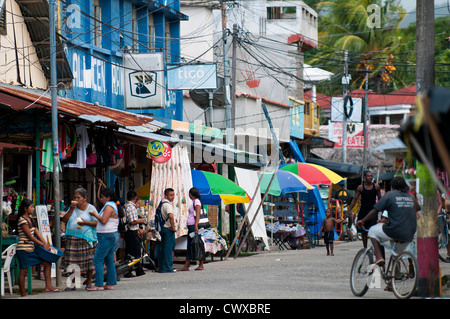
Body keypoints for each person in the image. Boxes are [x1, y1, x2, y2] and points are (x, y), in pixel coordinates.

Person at [357, 177, 420, 266]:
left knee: (372, 230)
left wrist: (363, 220)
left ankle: (379, 257)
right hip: (410, 232)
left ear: (392, 186)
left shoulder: (390, 195)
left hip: (395, 230)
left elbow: (375, 210)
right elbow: (417, 208)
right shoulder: (410, 196)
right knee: (396, 255)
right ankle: (396, 276)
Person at [15, 199, 61, 296]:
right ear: (25, 209)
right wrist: (42, 244)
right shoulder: (22, 220)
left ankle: (48, 286)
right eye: (31, 207)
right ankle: (23, 294)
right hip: (23, 249)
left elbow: (37, 233)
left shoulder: (31, 219)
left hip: (31, 249)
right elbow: (30, 236)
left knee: (47, 262)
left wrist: (46, 244)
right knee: (23, 271)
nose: (33, 208)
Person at [61, 187, 98, 290]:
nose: (76, 200)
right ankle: (73, 284)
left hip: (87, 238)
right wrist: (71, 208)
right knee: (73, 262)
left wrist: (85, 223)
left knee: (89, 262)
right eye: (75, 197)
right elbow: (64, 219)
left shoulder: (91, 208)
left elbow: (97, 222)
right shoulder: (72, 208)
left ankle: (89, 283)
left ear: (85, 198)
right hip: (72, 237)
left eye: (78, 197)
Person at [87, 187, 120, 291]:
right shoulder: (112, 205)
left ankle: (99, 284)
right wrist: (100, 186)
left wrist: (95, 215)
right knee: (109, 259)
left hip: (106, 236)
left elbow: (104, 220)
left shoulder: (109, 206)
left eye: (102, 197)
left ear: (108, 197)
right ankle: (110, 283)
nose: (101, 199)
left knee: (98, 259)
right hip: (110, 235)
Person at [347, 171, 382, 248]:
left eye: (371, 176)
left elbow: (380, 200)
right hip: (363, 211)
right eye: (368, 176)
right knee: (363, 232)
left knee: (373, 231)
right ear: (365, 177)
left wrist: (382, 211)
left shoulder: (376, 187)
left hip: (373, 212)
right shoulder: (360, 187)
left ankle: (374, 247)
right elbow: (354, 199)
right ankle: (365, 248)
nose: (370, 177)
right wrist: (348, 210)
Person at [177, 187, 205, 271]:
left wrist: (196, 225)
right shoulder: (195, 201)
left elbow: (198, 213)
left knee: (196, 244)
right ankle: (188, 264)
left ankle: (199, 264)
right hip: (192, 226)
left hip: (193, 226)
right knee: (191, 244)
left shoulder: (196, 201)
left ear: (190, 194)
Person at [124, 190, 146, 277]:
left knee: (132, 252)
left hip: (132, 231)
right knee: (134, 252)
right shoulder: (131, 207)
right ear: (135, 197)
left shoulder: (126, 206)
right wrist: (141, 220)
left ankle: (135, 269)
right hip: (132, 232)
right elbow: (132, 221)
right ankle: (134, 270)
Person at [154, 188, 177, 273]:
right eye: (171, 195)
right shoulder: (167, 205)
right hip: (167, 229)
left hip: (161, 228)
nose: (172, 197)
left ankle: (161, 267)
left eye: (173, 195)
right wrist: (173, 227)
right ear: (166, 195)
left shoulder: (161, 203)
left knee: (162, 248)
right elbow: (170, 216)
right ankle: (167, 267)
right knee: (168, 248)